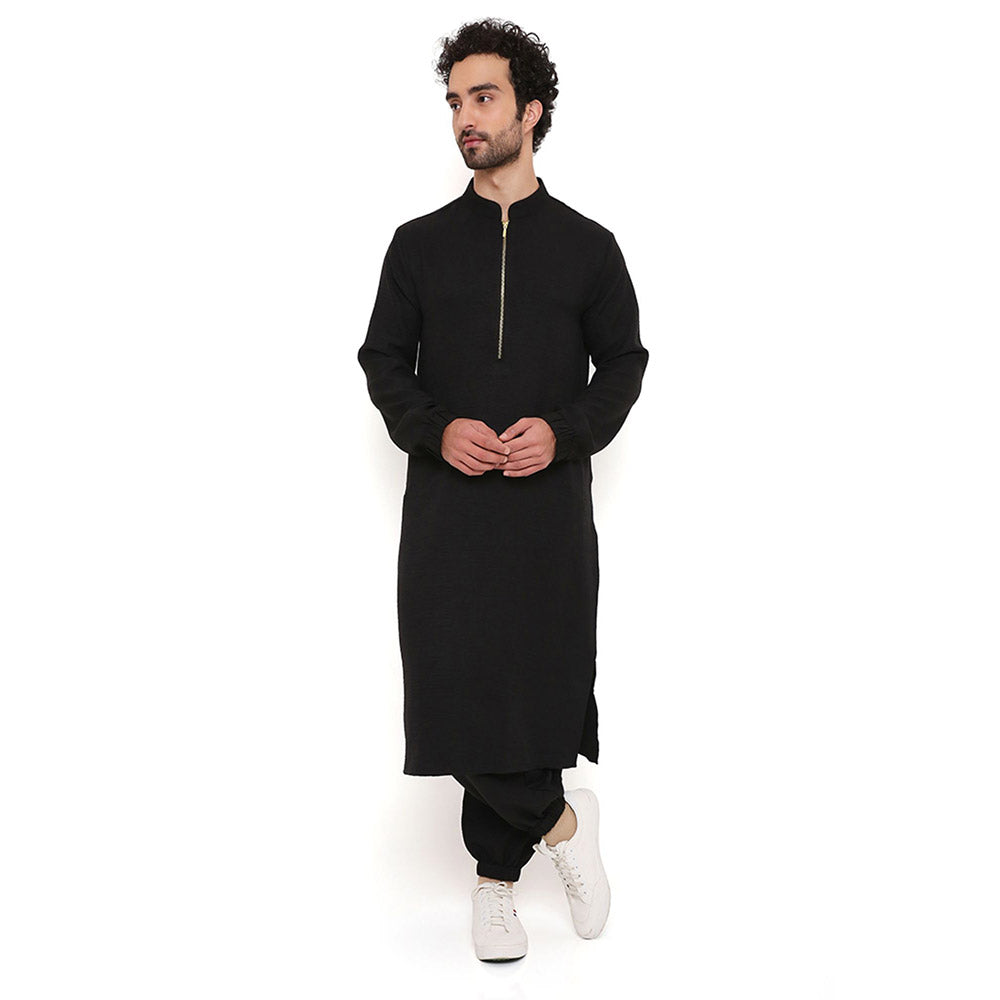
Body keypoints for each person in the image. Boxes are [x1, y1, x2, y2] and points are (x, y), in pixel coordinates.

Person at [357, 18, 649, 962]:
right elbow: (382, 361)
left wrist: (565, 432)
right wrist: (435, 426)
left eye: (483, 97)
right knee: (452, 694)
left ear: (532, 110)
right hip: (448, 515)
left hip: (547, 517)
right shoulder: (418, 245)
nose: (464, 118)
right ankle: (564, 825)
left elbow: (624, 364)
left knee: (536, 687)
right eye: (454, 101)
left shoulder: (590, 248)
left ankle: (495, 883)